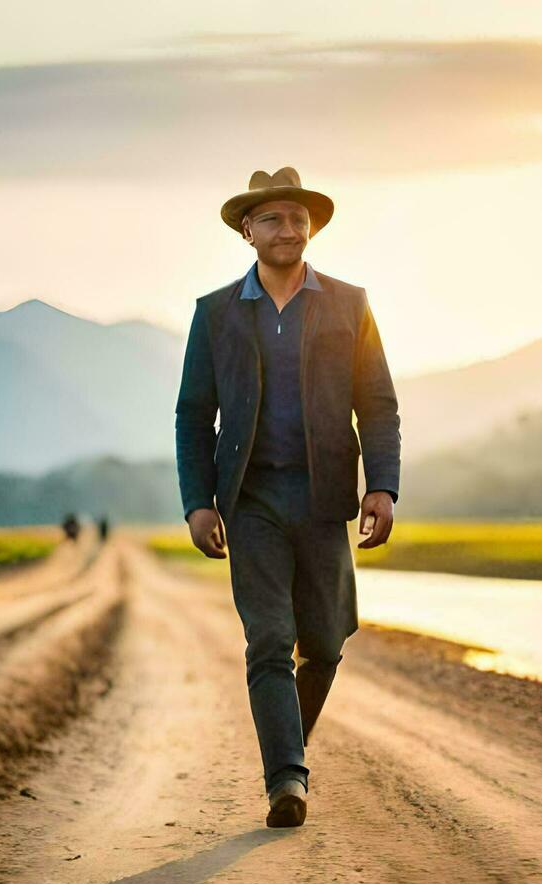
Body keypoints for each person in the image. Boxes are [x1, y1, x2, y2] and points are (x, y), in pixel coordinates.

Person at [175, 166, 401, 829]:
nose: (288, 228)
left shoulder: (349, 304)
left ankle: (287, 753)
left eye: (298, 218)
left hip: (325, 494)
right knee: (270, 639)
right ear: (247, 231)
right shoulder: (215, 313)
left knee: (326, 644)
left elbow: (378, 406)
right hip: (251, 499)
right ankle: (287, 781)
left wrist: (381, 486)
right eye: (272, 218)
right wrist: (198, 502)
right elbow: (194, 416)